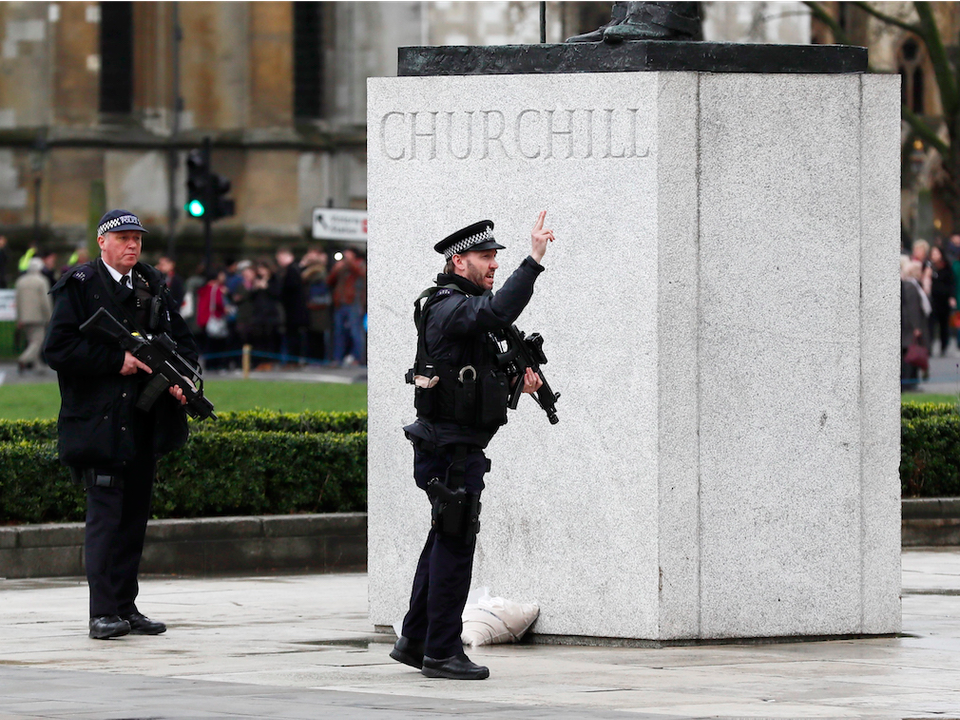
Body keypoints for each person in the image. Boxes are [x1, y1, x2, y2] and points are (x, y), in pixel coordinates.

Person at [390, 212, 554, 681]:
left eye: (496, 258)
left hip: (456, 445)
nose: (493, 266)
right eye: (486, 257)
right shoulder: (448, 305)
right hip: (448, 449)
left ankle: (415, 639)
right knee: (456, 544)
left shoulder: (463, 307)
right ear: (458, 262)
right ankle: (442, 651)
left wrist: (514, 384)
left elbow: (470, 378)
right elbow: (497, 311)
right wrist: (534, 260)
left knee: (444, 538)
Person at [42, 209, 197, 640]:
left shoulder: (152, 285)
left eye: (137, 238)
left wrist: (182, 380)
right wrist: (117, 361)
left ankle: (126, 607)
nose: (132, 245)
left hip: (144, 422)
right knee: (106, 519)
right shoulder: (80, 286)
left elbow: (183, 341)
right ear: (102, 242)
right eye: (123, 237)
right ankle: (102, 612)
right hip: (100, 422)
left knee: (133, 520)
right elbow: (58, 349)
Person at [326, 248, 367, 366]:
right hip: (340, 303)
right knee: (339, 332)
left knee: (356, 332)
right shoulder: (341, 267)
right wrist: (335, 270)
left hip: (354, 302)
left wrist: (349, 263)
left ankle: (358, 358)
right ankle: (337, 358)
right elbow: (329, 281)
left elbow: (362, 274)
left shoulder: (360, 264)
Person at [14, 257, 52, 373]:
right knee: (38, 341)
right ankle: (23, 359)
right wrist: (49, 316)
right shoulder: (41, 281)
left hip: (24, 316)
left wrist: (19, 318)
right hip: (38, 316)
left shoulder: (20, 281)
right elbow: (45, 301)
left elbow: (17, 301)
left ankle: (38, 366)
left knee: (32, 341)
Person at [901, 255, 931, 389]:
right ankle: (908, 383)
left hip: (912, 325)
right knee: (910, 355)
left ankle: (911, 382)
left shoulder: (914, 285)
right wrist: (916, 327)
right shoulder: (911, 286)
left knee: (911, 353)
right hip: (911, 326)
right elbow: (912, 308)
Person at [276, 247, 309, 365]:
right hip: (294, 310)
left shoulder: (292, 270)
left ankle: (293, 361)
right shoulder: (294, 269)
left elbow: (290, 288)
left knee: (293, 337)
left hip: (294, 311)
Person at [928, 245, 956, 356]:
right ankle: (929, 345)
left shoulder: (946, 266)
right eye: (933, 254)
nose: (934, 256)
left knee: (944, 324)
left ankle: (944, 346)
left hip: (944, 299)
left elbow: (951, 283)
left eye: (936, 253)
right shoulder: (929, 266)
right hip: (932, 299)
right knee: (931, 323)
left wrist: (952, 297)